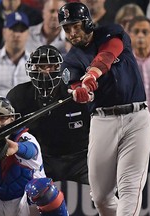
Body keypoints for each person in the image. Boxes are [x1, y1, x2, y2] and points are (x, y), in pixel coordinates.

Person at [58, 2, 150, 216]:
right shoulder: (71, 59)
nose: (72, 32)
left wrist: (92, 73)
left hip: (136, 117)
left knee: (129, 187)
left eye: (76, 25)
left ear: (87, 22)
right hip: (103, 120)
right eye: (67, 28)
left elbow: (110, 53)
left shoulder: (111, 32)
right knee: (100, 197)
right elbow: (73, 86)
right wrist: (80, 92)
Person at [7, 45, 90, 184]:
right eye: (41, 66)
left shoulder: (76, 92)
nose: (46, 71)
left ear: (61, 68)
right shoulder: (18, 95)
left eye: (51, 66)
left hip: (81, 158)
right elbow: (7, 130)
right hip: (39, 157)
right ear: (32, 69)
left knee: (104, 191)